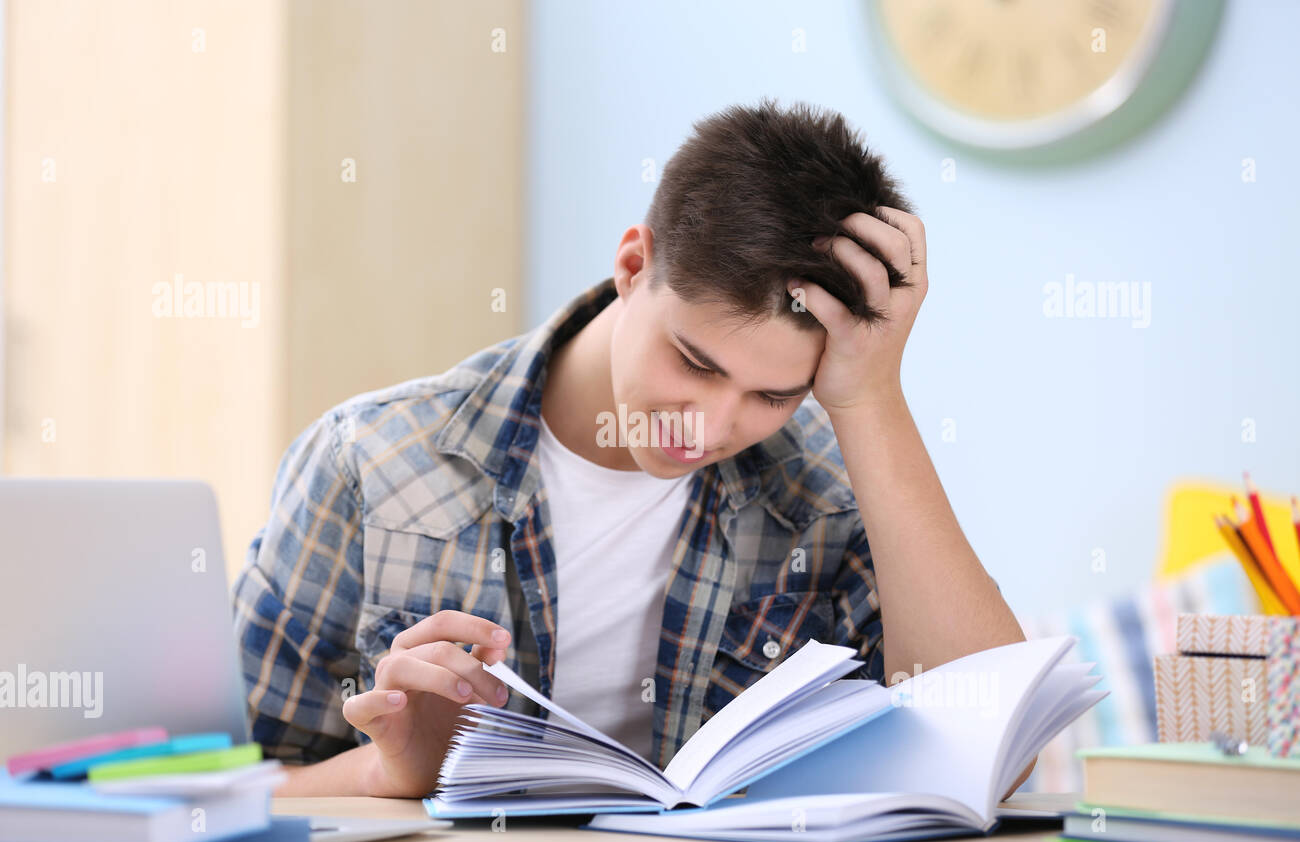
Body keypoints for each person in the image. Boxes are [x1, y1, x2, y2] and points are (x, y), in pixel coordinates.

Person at [232, 97, 1036, 799]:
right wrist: (388, 773)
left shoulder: (825, 488)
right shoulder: (372, 462)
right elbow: (208, 787)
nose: (713, 426)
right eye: (694, 362)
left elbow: (988, 750)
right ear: (631, 266)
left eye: (773, 395)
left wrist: (870, 397)